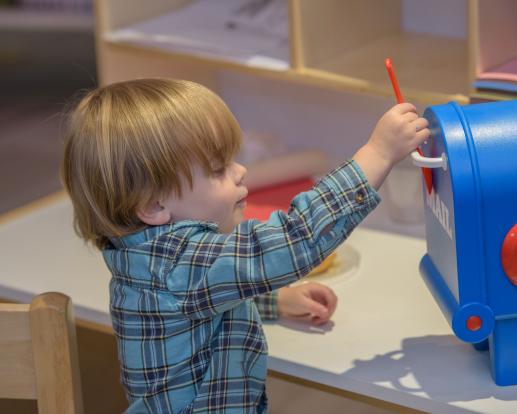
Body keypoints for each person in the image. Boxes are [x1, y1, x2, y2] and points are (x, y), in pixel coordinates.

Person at [61, 78, 429, 413]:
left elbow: (205, 304)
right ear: (155, 206)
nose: (240, 171)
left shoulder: (146, 253)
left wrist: (273, 300)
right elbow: (294, 239)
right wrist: (378, 154)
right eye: (218, 169)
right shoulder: (178, 265)